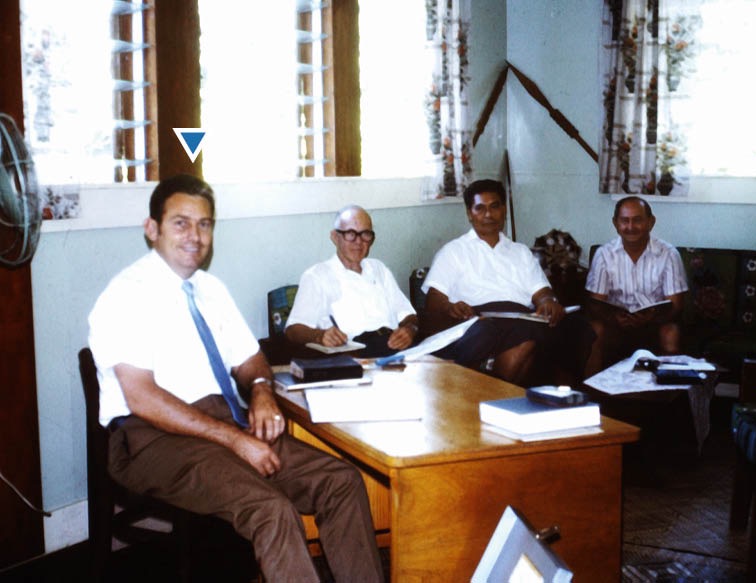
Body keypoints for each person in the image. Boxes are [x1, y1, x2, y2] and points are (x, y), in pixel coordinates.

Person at [87, 175, 383, 583]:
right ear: (152, 229)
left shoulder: (210, 290)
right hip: (153, 438)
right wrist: (234, 440)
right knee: (271, 510)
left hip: (224, 422)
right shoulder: (125, 295)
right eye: (181, 222)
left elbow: (251, 360)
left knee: (341, 481)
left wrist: (261, 392)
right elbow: (143, 399)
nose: (195, 235)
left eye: (204, 224)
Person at [422, 179, 593, 385]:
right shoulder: (453, 251)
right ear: (469, 213)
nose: (488, 215)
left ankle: (568, 400)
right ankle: (495, 393)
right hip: (481, 320)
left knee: (578, 327)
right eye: (480, 208)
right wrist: (451, 308)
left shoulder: (520, 252)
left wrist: (548, 302)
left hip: (523, 316)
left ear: (504, 210)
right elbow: (434, 301)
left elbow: (541, 292)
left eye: (494, 206)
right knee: (527, 334)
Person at [284, 205, 419, 358]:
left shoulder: (379, 269)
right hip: (356, 353)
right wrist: (319, 335)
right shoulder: (317, 276)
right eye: (350, 234)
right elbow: (293, 329)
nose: (359, 242)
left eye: (365, 234)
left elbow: (409, 315)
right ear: (335, 237)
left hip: (397, 349)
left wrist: (409, 330)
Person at [584, 195, 688, 374]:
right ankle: (594, 395)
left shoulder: (669, 254)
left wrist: (651, 318)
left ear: (651, 222)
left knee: (671, 333)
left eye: (637, 220)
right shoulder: (604, 254)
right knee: (595, 330)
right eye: (625, 221)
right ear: (616, 224)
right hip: (615, 325)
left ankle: (668, 394)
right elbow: (596, 304)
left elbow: (676, 305)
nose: (630, 227)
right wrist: (613, 319)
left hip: (656, 324)